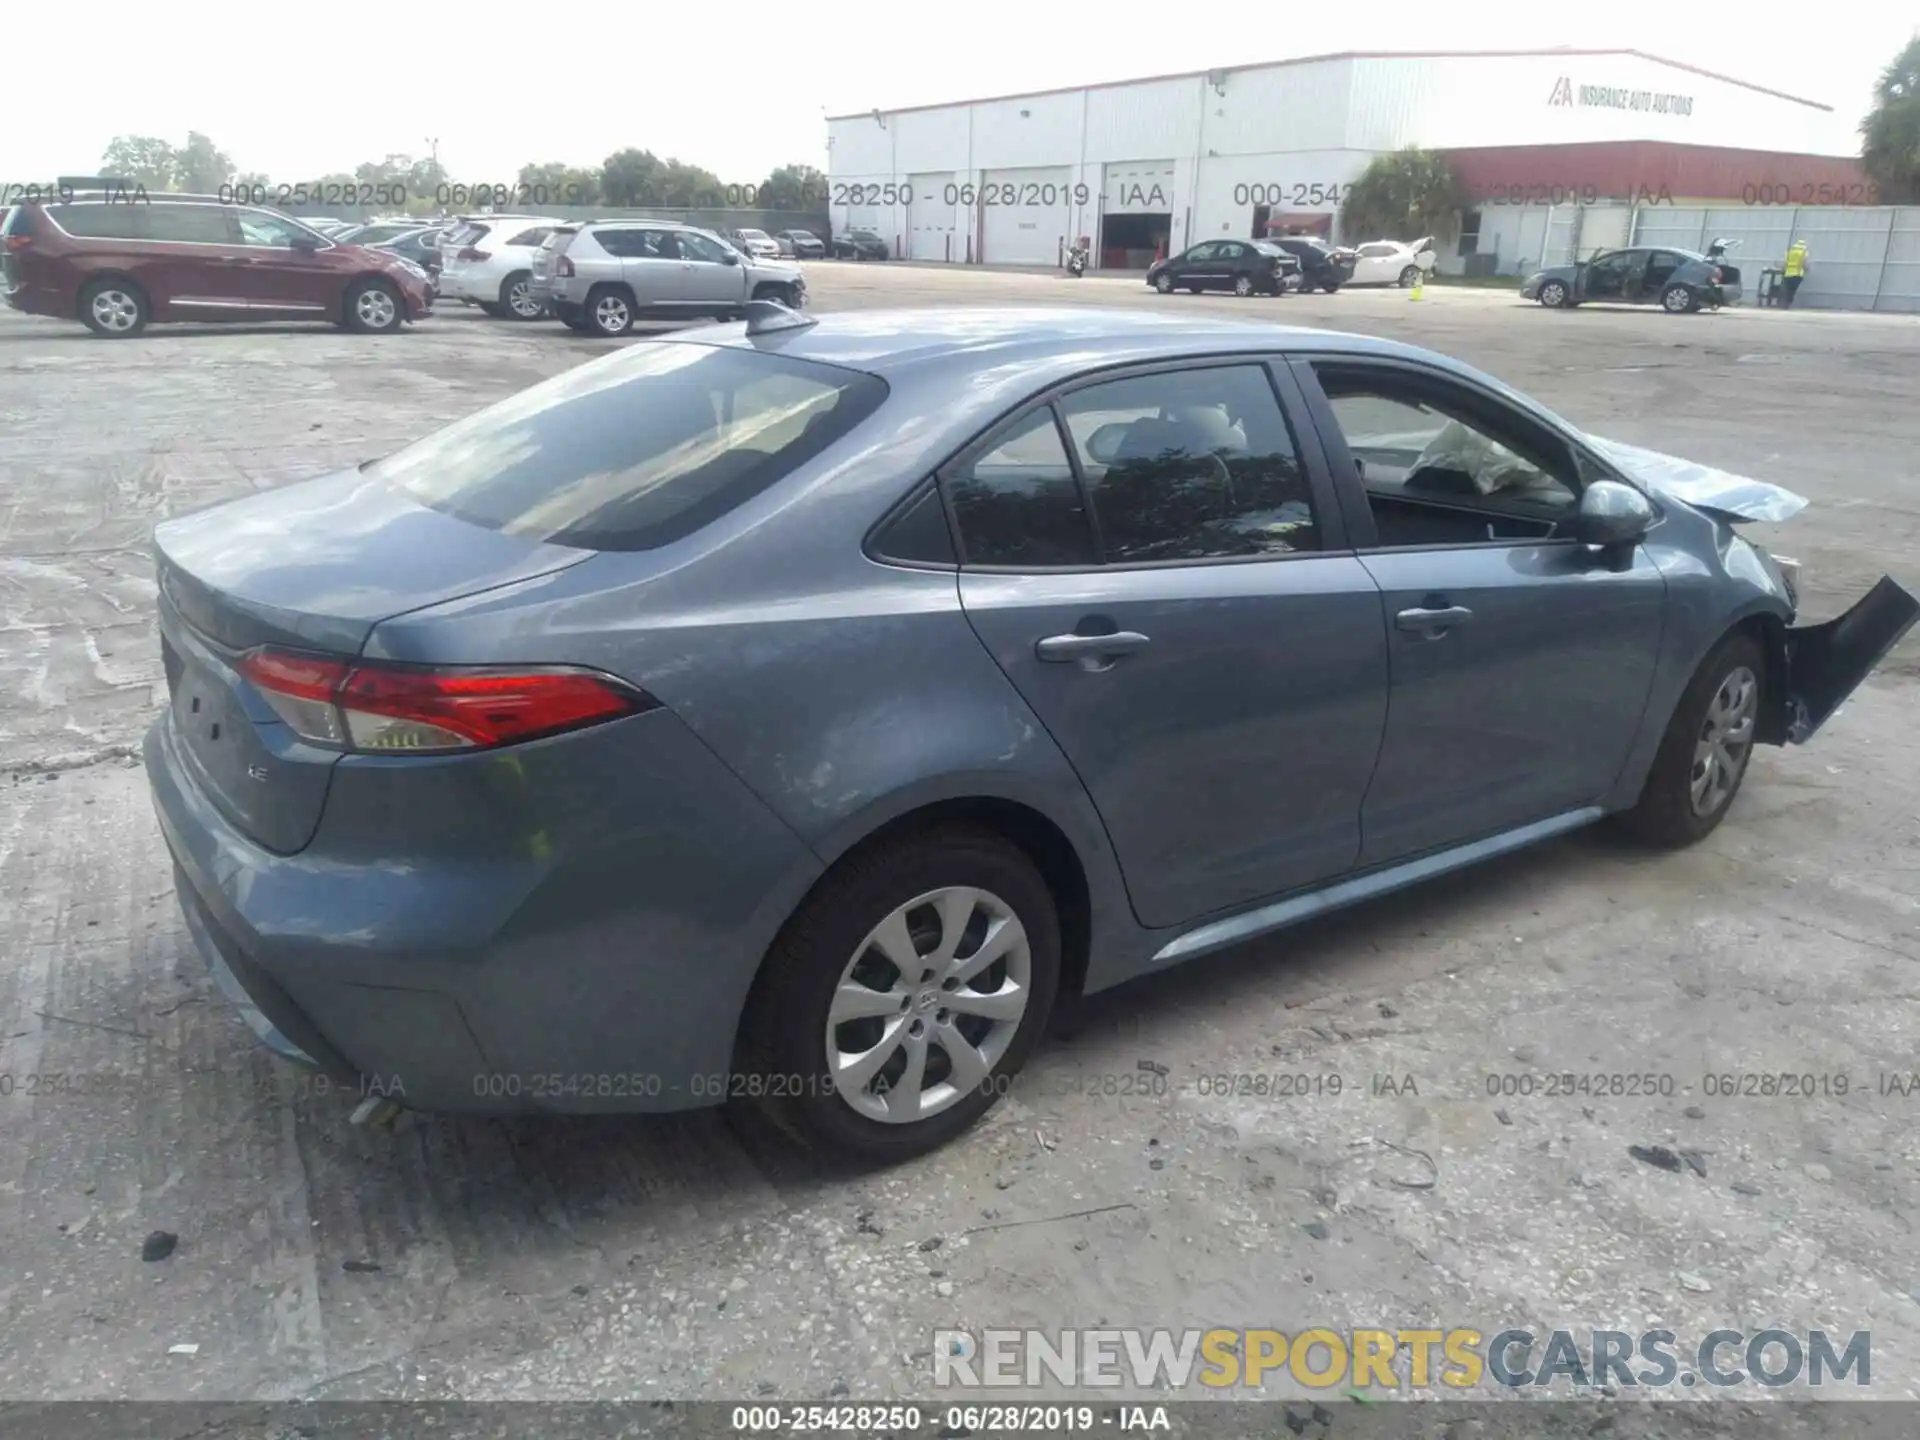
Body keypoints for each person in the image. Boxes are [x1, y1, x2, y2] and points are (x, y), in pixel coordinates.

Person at [1781, 239, 1808, 308]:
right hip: (1797, 274)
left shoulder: (1790, 251)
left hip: (1787, 273)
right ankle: (1788, 303)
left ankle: (1784, 303)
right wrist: (1806, 269)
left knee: (1787, 289)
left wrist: (1784, 270)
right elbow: (1803, 262)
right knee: (1792, 290)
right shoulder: (1804, 252)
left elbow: (1785, 262)